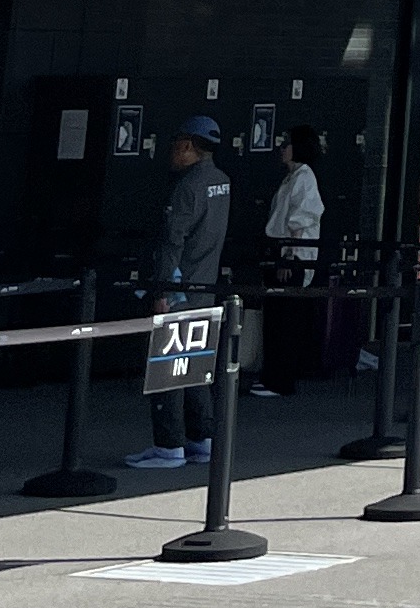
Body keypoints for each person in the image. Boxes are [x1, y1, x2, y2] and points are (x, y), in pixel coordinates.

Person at [125, 115, 231, 470]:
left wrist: (162, 290)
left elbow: (172, 241)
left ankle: (168, 446)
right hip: (205, 285)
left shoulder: (188, 186)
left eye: (175, 145)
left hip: (179, 288)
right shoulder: (221, 181)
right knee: (196, 367)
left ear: (187, 145)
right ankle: (202, 439)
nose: (172, 152)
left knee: (168, 368)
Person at [245, 124, 325, 399]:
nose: (282, 148)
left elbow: (299, 222)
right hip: (282, 252)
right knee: (276, 319)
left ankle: (280, 381)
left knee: (285, 322)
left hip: (291, 256)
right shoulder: (293, 177)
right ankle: (272, 376)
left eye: (287, 144)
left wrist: (288, 258)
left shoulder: (304, 178)